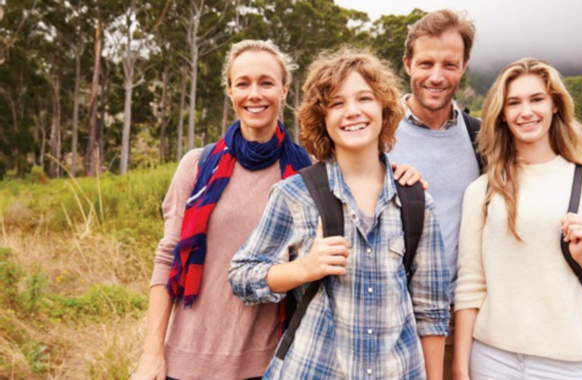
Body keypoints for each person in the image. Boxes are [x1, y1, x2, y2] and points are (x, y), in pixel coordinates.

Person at [133, 39, 422, 380]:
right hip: (187, 356)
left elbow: (367, 178)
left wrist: (403, 176)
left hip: (271, 360)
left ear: (285, 89)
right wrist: (152, 354)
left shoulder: (311, 175)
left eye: (266, 82)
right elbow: (168, 259)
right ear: (230, 91)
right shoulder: (197, 166)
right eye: (243, 83)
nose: (254, 94)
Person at [228, 48, 450, 379]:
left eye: (364, 99)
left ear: (384, 108)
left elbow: (431, 310)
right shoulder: (296, 194)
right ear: (322, 119)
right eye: (336, 103)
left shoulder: (416, 202)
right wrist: (303, 268)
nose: (352, 112)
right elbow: (242, 275)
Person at [453, 58, 582, 380]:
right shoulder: (483, 190)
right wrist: (459, 368)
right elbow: (470, 286)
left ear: (555, 104)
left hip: (566, 364)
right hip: (491, 359)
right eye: (514, 103)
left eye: (536, 99)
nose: (526, 111)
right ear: (502, 114)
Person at [386, 10, 479, 379]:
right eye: (426, 63)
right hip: (387, 320)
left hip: (460, 324)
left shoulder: (482, 138)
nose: (437, 76)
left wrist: (580, 165)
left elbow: (538, 163)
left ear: (464, 66)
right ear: (408, 63)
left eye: (450, 64)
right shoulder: (375, 130)